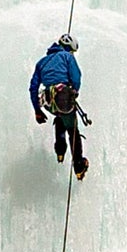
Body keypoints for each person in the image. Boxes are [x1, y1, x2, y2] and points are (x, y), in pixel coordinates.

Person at [29, 33, 89, 178]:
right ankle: (79, 166)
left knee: (60, 116)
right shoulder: (67, 57)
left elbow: (33, 87)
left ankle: (60, 150)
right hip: (64, 98)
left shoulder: (41, 62)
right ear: (69, 48)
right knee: (72, 129)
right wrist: (74, 91)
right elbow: (76, 77)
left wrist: (37, 110)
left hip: (49, 102)